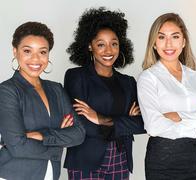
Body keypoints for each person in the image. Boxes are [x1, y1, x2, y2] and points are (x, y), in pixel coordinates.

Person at [137, 13, 196, 180]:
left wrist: (176, 116)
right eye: (161, 37)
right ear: (154, 43)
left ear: (183, 42)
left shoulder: (195, 77)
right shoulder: (148, 78)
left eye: (175, 36)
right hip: (163, 162)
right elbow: (154, 126)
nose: (168, 44)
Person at [63, 7, 145, 180]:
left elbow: (142, 123)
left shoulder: (128, 82)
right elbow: (80, 123)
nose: (109, 50)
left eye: (114, 43)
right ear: (89, 46)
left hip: (120, 158)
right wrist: (123, 124)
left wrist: (100, 118)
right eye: (101, 44)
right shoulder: (76, 77)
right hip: (85, 159)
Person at [0, 22, 85, 180]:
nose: (35, 59)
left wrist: (42, 136)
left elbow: (79, 133)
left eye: (42, 52)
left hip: (50, 174)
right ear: (15, 51)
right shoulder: (7, 91)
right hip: (14, 175)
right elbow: (17, 147)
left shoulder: (56, 89)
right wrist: (59, 145)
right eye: (27, 51)